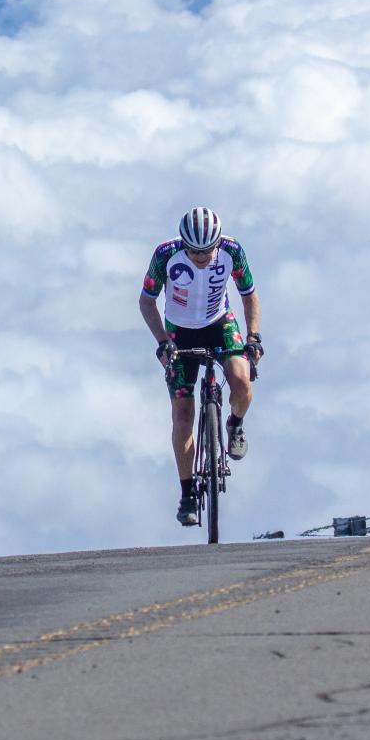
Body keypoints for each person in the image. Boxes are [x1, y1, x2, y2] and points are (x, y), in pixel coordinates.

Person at [139, 207, 264, 526]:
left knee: (241, 379)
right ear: (184, 245)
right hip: (178, 331)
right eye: (194, 251)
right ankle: (187, 495)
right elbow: (146, 300)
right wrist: (162, 342)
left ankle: (235, 424)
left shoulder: (232, 251)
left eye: (208, 250)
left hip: (218, 322)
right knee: (182, 414)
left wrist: (253, 337)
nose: (202, 256)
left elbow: (249, 295)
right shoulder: (166, 255)